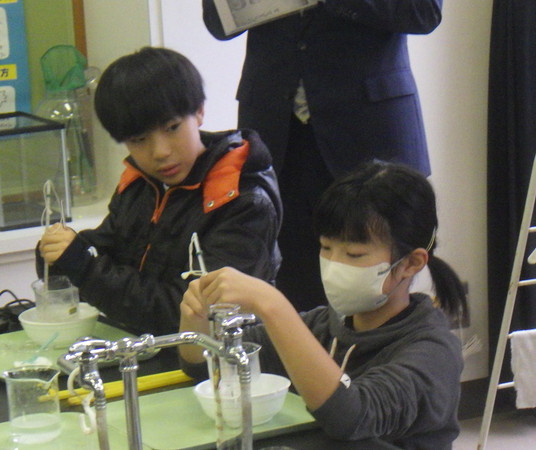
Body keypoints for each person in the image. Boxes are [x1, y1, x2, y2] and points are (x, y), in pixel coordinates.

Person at [179, 161, 466, 448]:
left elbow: (350, 416)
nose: (334, 265)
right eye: (326, 248)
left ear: (411, 263)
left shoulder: (433, 352)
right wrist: (196, 318)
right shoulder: (322, 326)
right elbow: (208, 367)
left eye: (354, 254)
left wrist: (272, 305)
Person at [202, 0, 442, 311]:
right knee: (291, 284)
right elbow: (218, 22)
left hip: (369, 129)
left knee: (377, 285)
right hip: (277, 129)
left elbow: (423, 12)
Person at [35, 47, 282, 336]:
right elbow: (110, 248)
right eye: (139, 139)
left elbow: (186, 314)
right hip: (146, 345)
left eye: (172, 128)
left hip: (219, 355)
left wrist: (84, 267)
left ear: (199, 111)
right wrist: (60, 254)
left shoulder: (242, 199)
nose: (160, 152)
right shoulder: (141, 184)